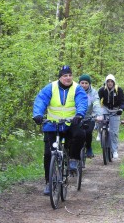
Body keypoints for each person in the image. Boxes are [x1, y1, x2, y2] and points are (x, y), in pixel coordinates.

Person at [33, 65, 88, 195]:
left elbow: (82, 101)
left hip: (70, 124)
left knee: (80, 134)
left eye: (70, 75)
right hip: (52, 125)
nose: (68, 78)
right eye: (65, 75)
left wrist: (79, 114)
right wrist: (38, 115)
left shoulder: (77, 88)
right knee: (48, 154)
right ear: (60, 77)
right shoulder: (50, 87)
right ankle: (48, 182)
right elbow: (41, 100)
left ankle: (73, 159)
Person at [98, 74, 124, 159]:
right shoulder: (102, 90)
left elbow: (122, 102)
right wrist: (96, 110)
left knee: (114, 132)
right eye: (108, 81)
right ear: (106, 82)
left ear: (114, 82)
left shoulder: (119, 90)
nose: (110, 83)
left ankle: (114, 151)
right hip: (105, 108)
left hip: (115, 110)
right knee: (99, 118)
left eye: (111, 81)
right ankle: (100, 134)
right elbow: (96, 100)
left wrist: (121, 109)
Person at [78, 74, 103, 158]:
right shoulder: (75, 91)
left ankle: (88, 147)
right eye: (82, 83)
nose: (84, 85)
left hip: (89, 116)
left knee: (88, 132)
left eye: (86, 83)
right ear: (79, 83)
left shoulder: (93, 92)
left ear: (89, 84)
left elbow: (96, 103)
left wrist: (99, 115)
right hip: (77, 116)